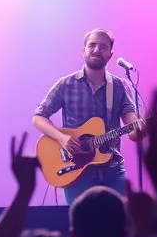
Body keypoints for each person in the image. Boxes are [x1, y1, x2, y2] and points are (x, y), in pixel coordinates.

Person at [32, 29, 145, 203]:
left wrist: (140, 129)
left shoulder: (119, 86)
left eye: (103, 47)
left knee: (123, 222)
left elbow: (133, 129)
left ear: (110, 54)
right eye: (92, 45)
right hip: (76, 170)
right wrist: (62, 138)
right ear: (83, 51)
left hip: (112, 168)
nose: (97, 50)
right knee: (83, 226)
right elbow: (38, 118)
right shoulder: (66, 84)